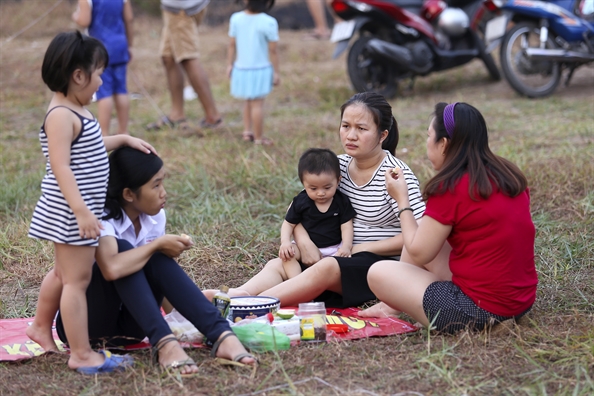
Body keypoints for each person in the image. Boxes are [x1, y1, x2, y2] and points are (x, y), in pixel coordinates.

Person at [28, 146, 257, 376]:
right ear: (129, 194)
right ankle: (165, 345)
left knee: (155, 256)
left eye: (162, 183)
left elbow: (158, 277)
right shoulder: (101, 216)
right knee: (128, 249)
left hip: (132, 328)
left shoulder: (155, 216)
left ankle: (221, 336)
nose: (163, 192)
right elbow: (110, 268)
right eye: (155, 185)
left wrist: (182, 311)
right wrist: (156, 245)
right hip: (89, 326)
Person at [204, 92, 426, 308]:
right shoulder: (337, 166)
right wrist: (303, 242)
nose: (350, 135)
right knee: (280, 263)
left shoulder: (396, 176)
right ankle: (240, 293)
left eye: (361, 129)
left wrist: (360, 248)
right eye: (346, 126)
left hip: (379, 266)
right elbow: (298, 208)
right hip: (335, 254)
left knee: (327, 267)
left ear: (383, 135)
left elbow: (420, 236)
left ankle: (252, 304)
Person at [26, 31, 156, 374]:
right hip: (73, 212)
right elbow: (60, 165)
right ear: (78, 75)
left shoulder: (75, 111)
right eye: (97, 73)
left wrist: (124, 138)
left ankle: (40, 326)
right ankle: (81, 353)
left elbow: (92, 145)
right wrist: (82, 212)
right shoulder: (60, 115)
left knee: (63, 272)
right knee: (77, 280)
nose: (101, 80)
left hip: (76, 210)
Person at [359, 102, 538, 334]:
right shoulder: (508, 174)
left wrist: (401, 200)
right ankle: (393, 305)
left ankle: (480, 325)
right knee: (424, 226)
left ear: (443, 144)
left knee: (378, 273)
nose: (427, 142)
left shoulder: (450, 187)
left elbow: (418, 252)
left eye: (429, 136)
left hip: (477, 310)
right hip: (520, 302)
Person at [145, 0, 222, 136]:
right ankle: (177, 115)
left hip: (181, 9)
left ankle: (213, 117)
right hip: (179, 7)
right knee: (168, 57)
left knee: (188, 57)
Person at [279, 148, 356, 279]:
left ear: (338, 181)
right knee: (287, 256)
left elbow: (346, 226)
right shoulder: (301, 201)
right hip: (305, 249)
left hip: (334, 248)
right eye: (313, 188)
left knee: (341, 265)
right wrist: (285, 242)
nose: (320, 193)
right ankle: (297, 281)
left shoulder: (341, 201)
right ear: (303, 183)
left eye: (327, 187)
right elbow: (288, 224)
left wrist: (346, 246)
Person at [72, 0, 134, 136]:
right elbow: (129, 19)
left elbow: (84, 21)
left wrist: (76, 16)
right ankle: (123, 130)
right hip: (120, 46)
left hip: (99, 49)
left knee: (104, 93)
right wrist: (129, 45)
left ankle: (104, 134)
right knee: (121, 90)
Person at [227, 0, 279, 146]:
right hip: (260, 70)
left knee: (247, 101)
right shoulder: (269, 22)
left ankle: (247, 131)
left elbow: (232, 44)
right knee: (257, 105)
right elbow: (273, 50)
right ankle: (258, 138)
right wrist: (276, 72)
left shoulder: (235, 18)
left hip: (241, 69)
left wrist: (229, 64)